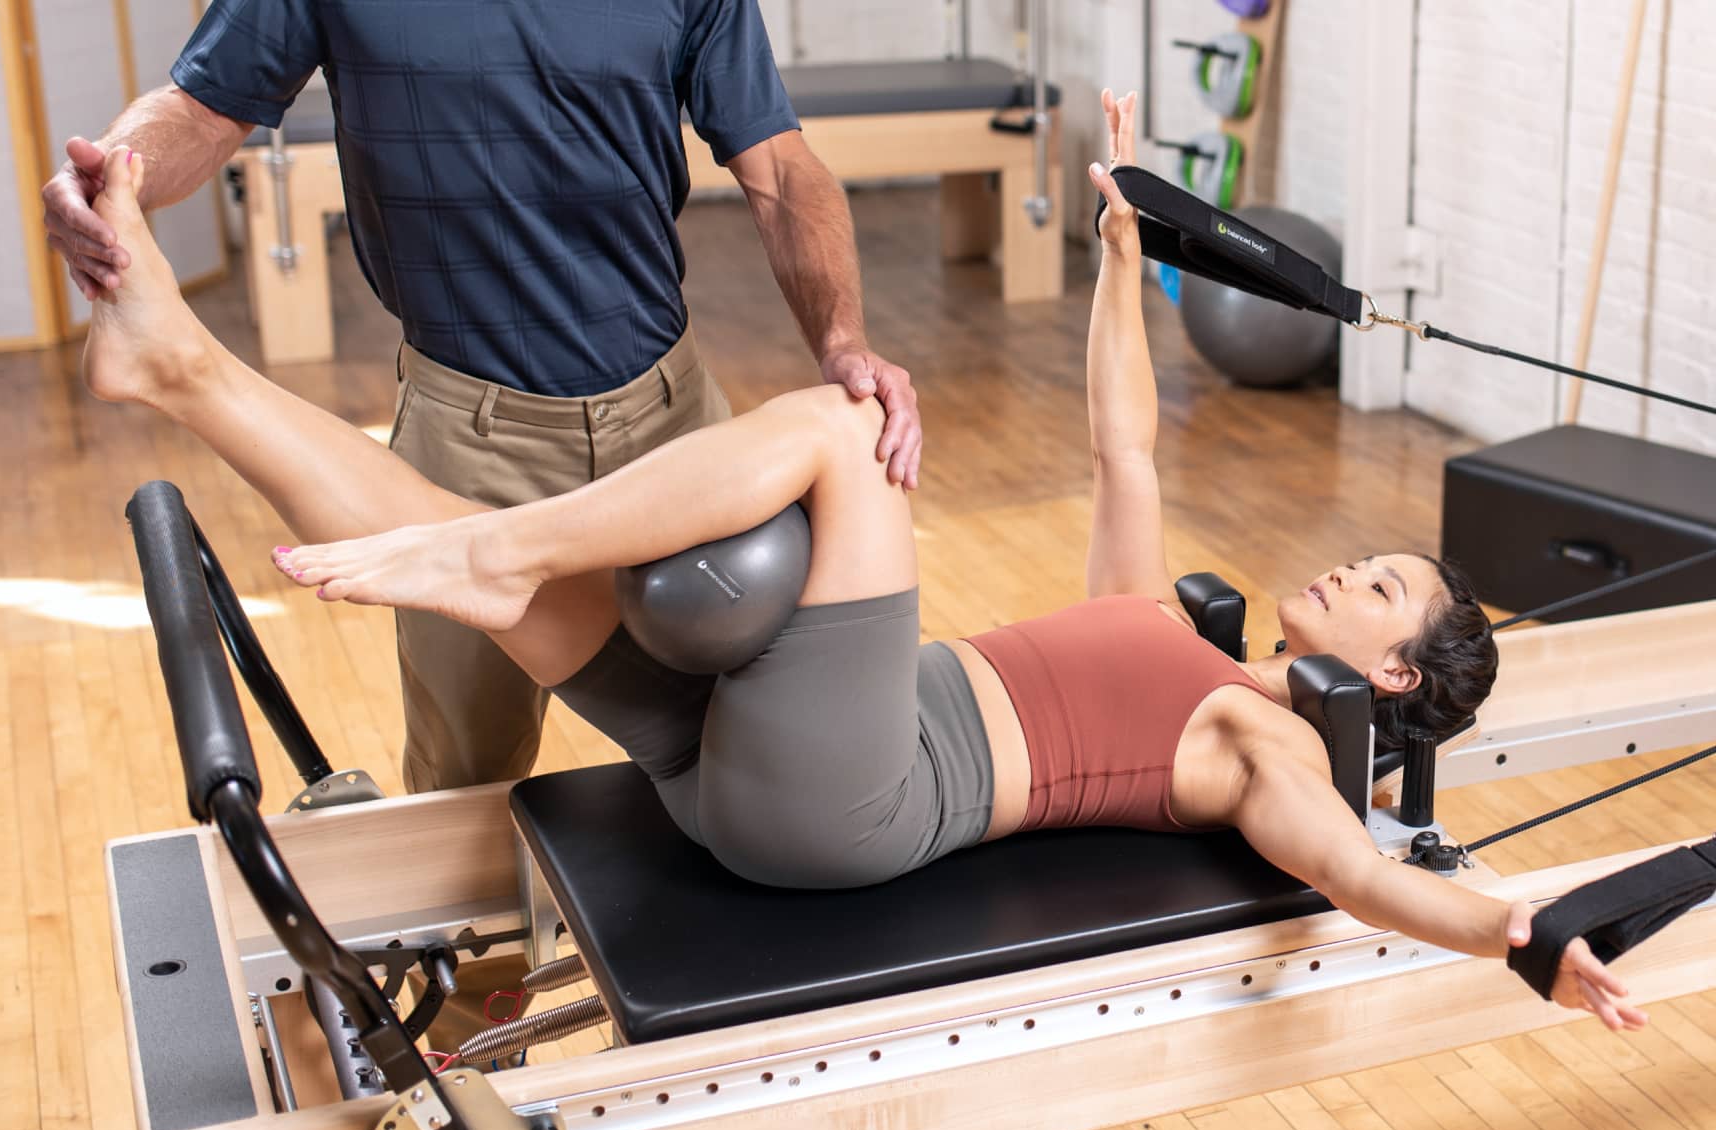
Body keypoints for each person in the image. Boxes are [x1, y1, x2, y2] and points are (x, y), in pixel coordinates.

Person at [81, 92, 1645, 1033]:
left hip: (860, 793)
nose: (1348, 568)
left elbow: (1368, 874)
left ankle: (491, 550)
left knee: (842, 433)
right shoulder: (1187, 639)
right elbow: (1128, 452)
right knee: (477, 539)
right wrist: (1120, 251)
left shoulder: (1260, 742)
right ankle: (179, 367)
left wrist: (1516, 930)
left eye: (1380, 585)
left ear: (1386, 672)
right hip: (773, 759)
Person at [44, 0, 922, 794]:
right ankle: (474, 980)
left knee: (757, 733)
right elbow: (198, 107)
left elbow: (779, 167)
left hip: (674, 424)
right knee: (468, 773)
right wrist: (112, 179)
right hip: (468, 437)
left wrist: (843, 342)